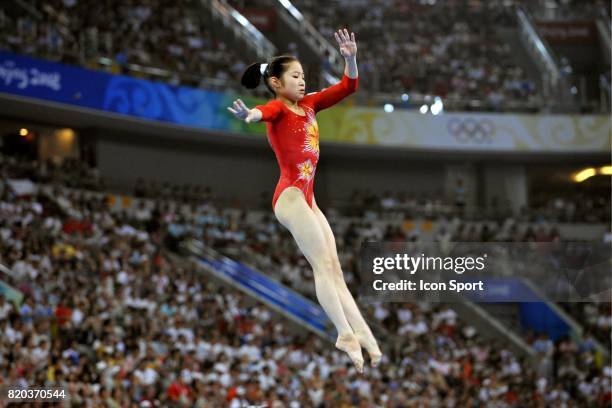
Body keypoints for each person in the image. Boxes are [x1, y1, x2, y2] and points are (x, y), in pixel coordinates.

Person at [228, 29, 381, 372]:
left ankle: (364, 334)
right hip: (291, 197)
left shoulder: (310, 103)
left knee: (336, 269)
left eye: (303, 76)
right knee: (322, 266)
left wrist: (350, 58)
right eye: (294, 77)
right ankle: (344, 333)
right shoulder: (278, 109)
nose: (301, 82)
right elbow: (261, 113)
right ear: (276, 83)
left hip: (308, 198)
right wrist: (248, 116)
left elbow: (348, 87)